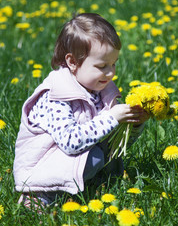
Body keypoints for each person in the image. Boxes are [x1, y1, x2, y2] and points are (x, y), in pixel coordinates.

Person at [13, 13, 149, 208]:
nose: (111, 72)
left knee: (100, 153)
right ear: (72, 62)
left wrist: (133, 124)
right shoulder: (55, 96)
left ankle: (95, 182)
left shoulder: (100, 90)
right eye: (102, 66)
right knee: (95, 157)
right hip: (40, 172)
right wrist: (111, 118)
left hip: (71, 161)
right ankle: (38, 196)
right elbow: (70, 142)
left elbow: (114, 142)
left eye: (114, 63)